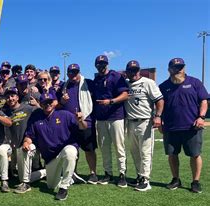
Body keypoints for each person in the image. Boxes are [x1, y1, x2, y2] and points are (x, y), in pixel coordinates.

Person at [23, 92, 88, 200]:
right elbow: (29, 135)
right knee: (51, 186)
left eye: (50, 102)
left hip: (65, 150)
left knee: (70, 152)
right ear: (40, 103)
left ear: (54, 102)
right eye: (45, 102)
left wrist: (81, 120)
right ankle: (65, 175)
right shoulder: (36, 118)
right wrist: (26, 142)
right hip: (50, 159)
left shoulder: (65, 114)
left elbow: (83, 127)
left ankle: (64, 188)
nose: (47, 104)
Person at [159, 58, 208, 193]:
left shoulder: (195, 82)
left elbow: (204, 101)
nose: (178, 70)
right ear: (169, 70)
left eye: (181, 67)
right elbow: (159, 106)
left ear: (184, 68)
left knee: (195, 154)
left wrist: (201, 117)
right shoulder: (163, 86)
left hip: (192, 126)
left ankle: (195, 181)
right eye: (175, 67)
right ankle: (176, 179)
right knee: (172, 155)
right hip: (170, 127)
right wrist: (159, 121)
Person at [123, 60, 164, 191]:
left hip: (144, 121)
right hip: (130, 122)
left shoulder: (148, 82)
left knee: (145, 152)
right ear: (127, 72)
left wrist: (158, 116)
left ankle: (146, 180)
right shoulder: (125, 84)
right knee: (134, 152)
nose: (133, 73)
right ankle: (139, 176)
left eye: (135, 70)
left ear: (139, 70)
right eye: (130, 70)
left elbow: (159, 100)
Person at [91, 55, 129, 187]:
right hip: (101, 118)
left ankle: (122, 173)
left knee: (119, 147)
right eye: (99, 64)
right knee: (104, 148)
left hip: (115, 116)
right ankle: (108, 173)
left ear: (107, 64)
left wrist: (111, 101)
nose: (101, 66)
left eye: (103, 64)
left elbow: (125, 95)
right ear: (96, 65)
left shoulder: (116, 76)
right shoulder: (96, 79)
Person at [56, 64, 97, 184]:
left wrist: (87, 114)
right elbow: (58, 105)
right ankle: (73, 173)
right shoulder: (64, 86)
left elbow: (95, 100)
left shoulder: (88, 83)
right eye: (71, 72)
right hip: (70, 124)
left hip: (86, 121)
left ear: (79, 72)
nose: (73, 75)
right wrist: (62, 101)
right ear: (68, 73)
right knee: (73, 149)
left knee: (89, 149)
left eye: (75, 72)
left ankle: (93, 173)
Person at [3, 87, 36, 193]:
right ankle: (47, 172)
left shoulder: (28, 108)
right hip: (15, 146)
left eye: (12, 96)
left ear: (17, 97)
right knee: (19, 176)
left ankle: (26, 184)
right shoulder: (7, 112)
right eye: (8, 97)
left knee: (26, 149)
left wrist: (37, 104)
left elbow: (41, 112)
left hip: (29, 144)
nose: (10, 98)